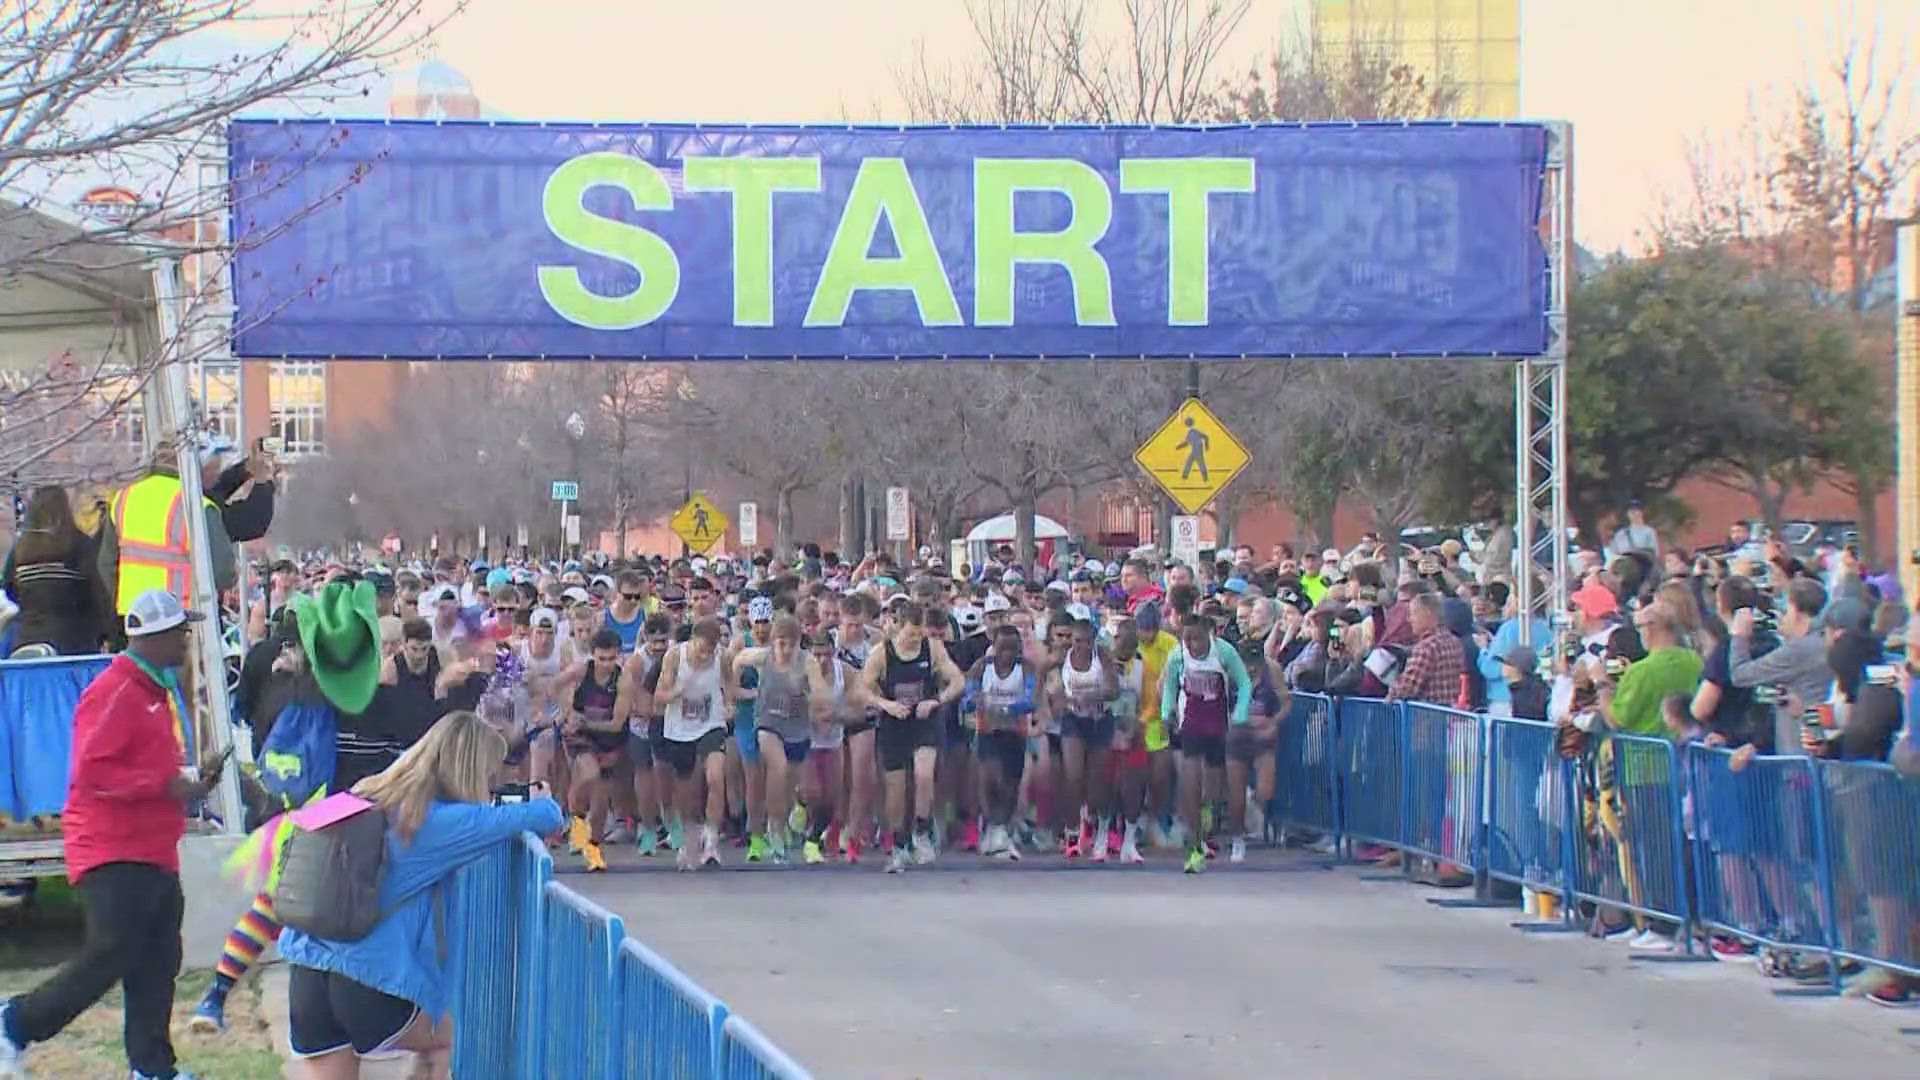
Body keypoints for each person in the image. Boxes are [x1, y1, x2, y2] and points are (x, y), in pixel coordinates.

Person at [1, 589, 227, 1080]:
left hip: (151, 849)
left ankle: (151, 1068)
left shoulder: (150, 692)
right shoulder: (117, 689)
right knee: (111, 954)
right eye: (180, 635)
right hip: (111, 850)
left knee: (159, 959)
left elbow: (144, 771)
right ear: (155, 637)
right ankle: (14, 1024)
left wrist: (189, 784)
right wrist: (166, 785)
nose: (185, 644)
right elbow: (92, 772)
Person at [279, 712, 563, 1079]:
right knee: (449, 1040)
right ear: (470, 770)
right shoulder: (436, 823)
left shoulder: (361, 796)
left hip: (306, 972)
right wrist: (540, 797)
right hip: (367, 981)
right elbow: (546, 816)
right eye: (489, 776)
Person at [857, 601, 966, 873]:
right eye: (910, 635)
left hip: (923, 720)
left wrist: (937, 700)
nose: (914, 640)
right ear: (897, 627)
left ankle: (921, 828)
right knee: (896, 788)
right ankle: (899, 843)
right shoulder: (882, 653)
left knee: (924, 774)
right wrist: (885, 704)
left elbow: (958, 681)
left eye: (919, 634)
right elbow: (862, 689)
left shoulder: (933, 648)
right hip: (895, 723)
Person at [732, 614, 832, 863]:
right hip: (768, 723)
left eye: (791, 644)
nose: (785, 650)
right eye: (780, 644)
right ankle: (773, 831)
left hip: (797, 729)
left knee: (789, 784)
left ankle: (781, 820)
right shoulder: (763, 657)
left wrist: (815, 697)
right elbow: (736, 659)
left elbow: (821, 690)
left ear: (799, 642)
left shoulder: (806, 662)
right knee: (778, 766)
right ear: (773, 642)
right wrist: (733, 690)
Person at [97, 440, 238, 616]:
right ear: (192, 463)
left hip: (132, 615)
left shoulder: (123, 498)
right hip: (180, 618)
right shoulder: (198, 506)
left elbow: (106, 564)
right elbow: (223, 573)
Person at [1158, 615, 1252, 874]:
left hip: (1218, 724)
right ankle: (1195, 848)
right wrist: (1166, 714)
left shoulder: (1224, 652)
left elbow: (1244, 684)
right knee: (1189, 783)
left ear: (1208, 635)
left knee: (1210, 789)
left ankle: (1208, 809)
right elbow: (1169, 688)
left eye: (1196, 638)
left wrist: (1240, 716)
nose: (1191, 644)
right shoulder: (1178, 655)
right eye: (1186, 638)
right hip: (1191, 722)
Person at [653, 618, 731, 870]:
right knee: (686, 793)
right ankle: (689, 842)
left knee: (716, 777)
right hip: (680, 730)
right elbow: (659, 696)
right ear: (692, 640)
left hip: (711, 725)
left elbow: (730, 688)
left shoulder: (723, 657)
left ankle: (711, 839)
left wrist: (730, 706)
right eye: (701, 650)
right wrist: (675, 692)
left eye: (710, 651)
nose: (705, 655)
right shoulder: (675, 656)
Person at [1, 485, 114, 655]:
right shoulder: (80, 544)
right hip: (75, 638)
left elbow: (9, 590)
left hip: (28, 638)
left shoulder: (21, 549)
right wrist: (106, 632)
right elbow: (97, 592)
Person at [563, 628, 628, 872]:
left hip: (609, 739)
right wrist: (566, 713)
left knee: (601, 803)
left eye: (612, 659)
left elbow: (617, 724)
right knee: (588, 774)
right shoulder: (581, 670)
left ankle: (593, 849)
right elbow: (555, 686)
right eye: (602, 659)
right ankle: (577, 822)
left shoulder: (623, 680)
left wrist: (585, 721)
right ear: (593, 656)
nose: (607, 664)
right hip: (582, 738)